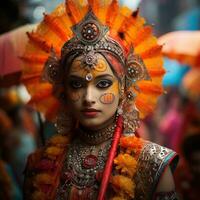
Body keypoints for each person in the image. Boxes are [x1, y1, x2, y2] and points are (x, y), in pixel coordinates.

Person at [22, 1, 179, 199]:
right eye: (77, 85)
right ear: (63, 92)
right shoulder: (39, 164)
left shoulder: (152, 165)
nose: (89, 98)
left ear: (123, 89)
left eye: (103, 84)